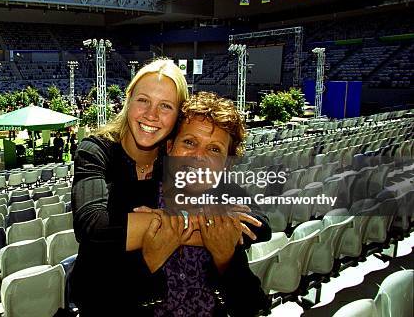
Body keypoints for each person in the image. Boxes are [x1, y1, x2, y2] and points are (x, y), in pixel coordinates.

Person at [71, 58, 189, 315]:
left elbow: (255, 224)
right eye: (143, 100)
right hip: (100, 300)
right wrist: (179, 223)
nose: (151, 115)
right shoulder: (96, 150)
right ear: (128, 100)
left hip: (156, 299)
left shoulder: (177, 160)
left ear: (179, 116)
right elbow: (91, 228)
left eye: (166, 106)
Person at [152, 92, 271, 316]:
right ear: (169, 147)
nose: (199, 156)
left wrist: (224, 260)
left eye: (214, 149)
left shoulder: (224, 206)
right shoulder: (135, 198)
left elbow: (251, 304)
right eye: (189, 142)